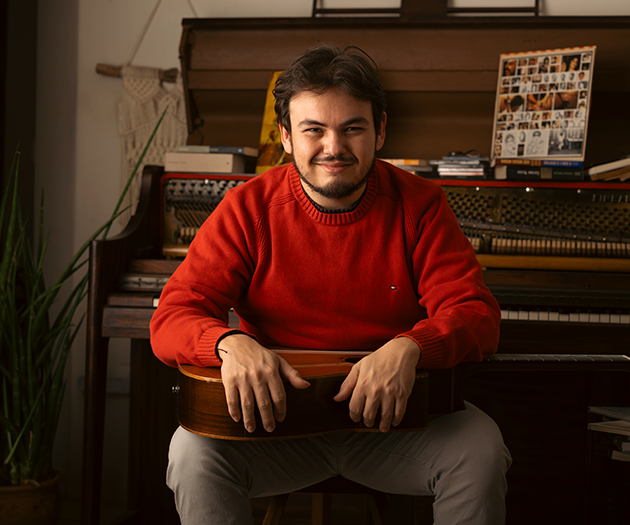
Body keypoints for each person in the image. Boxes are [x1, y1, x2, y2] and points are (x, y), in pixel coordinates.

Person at [150, 43, 511, 525]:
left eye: (353, 128)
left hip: (395, 425)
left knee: (481, 449)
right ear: (286, 136)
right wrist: (228, 343)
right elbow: (172, 317)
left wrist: (411, 347)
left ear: (380, 130)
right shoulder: (245, 208)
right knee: (190, 453)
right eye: (314, 130)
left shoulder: (421, 205)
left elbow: (476, 314)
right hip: (275, 427)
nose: (333, 148)